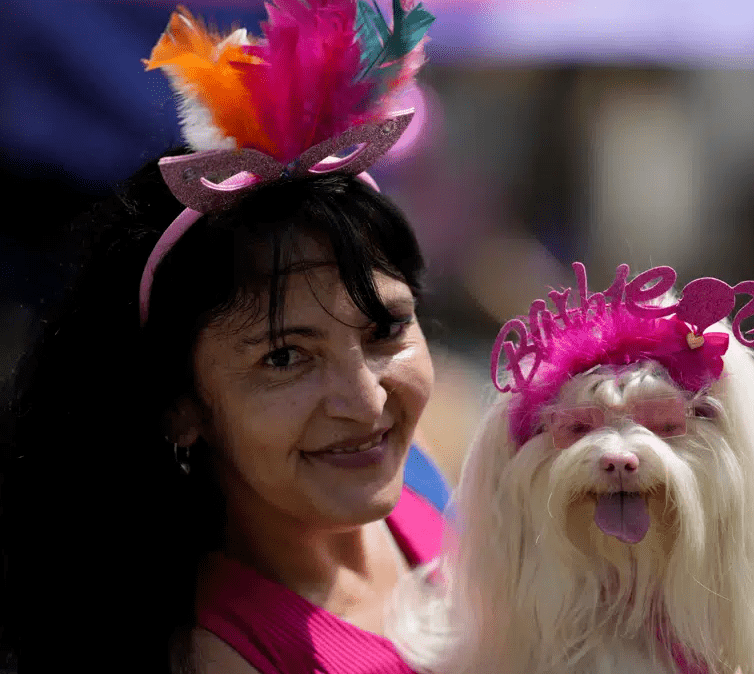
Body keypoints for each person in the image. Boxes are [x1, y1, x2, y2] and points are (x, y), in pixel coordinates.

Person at [0, 1, 447, 673]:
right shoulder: (222, 654)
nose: (365, 402)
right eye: (285, 357)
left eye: (385, 328)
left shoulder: (423, 489)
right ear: (180, 404)